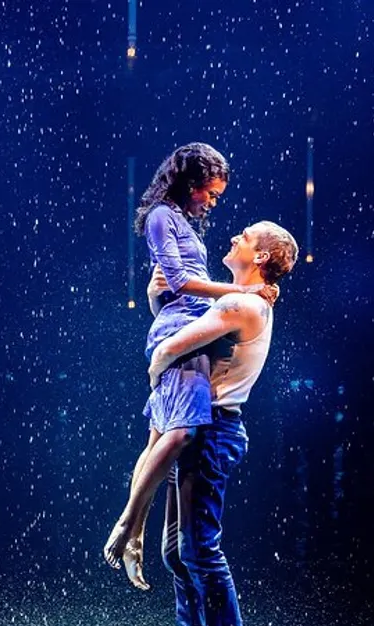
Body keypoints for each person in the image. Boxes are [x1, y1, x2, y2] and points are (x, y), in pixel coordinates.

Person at [103, 144, 276, 581]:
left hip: (185, 326)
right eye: (211, 194)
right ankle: (126, 524)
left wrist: (161, 298)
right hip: (182, 331)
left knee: (158, 439)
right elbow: (179, 283)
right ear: (191, 183)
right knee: (179, 435)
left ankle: (136, 533)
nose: (212, 203)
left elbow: (171, 289)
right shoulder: (162, 216)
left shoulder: (180, 222)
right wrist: (241, 293)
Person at [148, 221, 300, 626]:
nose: (235, 236)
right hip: (201, 426)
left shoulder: (240, 304)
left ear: (259, 258)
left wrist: (157, 374)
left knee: (199, 549)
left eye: (246, 236)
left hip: (212, 430)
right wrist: (161, 299)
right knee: (177, 550)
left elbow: (168, 348)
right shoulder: (241, 300)